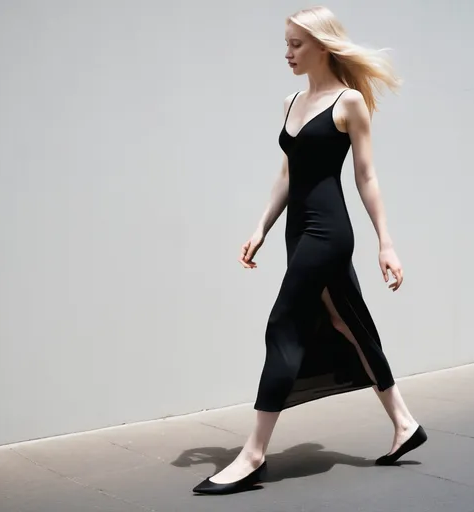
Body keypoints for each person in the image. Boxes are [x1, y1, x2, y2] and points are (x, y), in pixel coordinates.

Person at [193, 5, 427, 495]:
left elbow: (366, 177)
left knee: (283, 324)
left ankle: (252, 454)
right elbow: (287, 175)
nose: (288, 53)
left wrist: (387, 243)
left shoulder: (349, 103)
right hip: (297, 232)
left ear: (323, 45)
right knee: (349, 321)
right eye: (286, 43)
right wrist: (260, 226)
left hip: (329, 233)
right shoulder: (290, 102)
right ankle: (405, 424)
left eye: (296, 44)